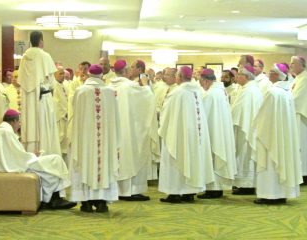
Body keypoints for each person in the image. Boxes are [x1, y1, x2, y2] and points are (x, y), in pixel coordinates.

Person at [0, 109, 76, 210]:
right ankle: (54, 199)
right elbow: (17, 156)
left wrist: (30, 155)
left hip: (9, 164)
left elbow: (14, 154)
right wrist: (32, 155)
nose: (20, 125)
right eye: (19, 122)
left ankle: (52, 199)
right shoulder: (6, 132)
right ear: (13, 121)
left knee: (49, 169)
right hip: (14, 165)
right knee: (56, 160)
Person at [158, 66, 214, 203]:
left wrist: (161, 121)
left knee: (176, 159)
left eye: (177, 75)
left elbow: (167, 114)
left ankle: (175, 192)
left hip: (177, 133)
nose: (176, 77)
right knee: (192, 158)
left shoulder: (177, 93)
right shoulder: (197, 92)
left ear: (180, 77)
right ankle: (189, 193)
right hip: (194, 134)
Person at [69, 65, 120, 212]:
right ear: (101, 76)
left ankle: (85, 202)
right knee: (103, 163)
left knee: (86, 162)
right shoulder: (110, 92)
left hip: (85, 137)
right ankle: (102, 201)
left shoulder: (80, 91)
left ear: (88, 75)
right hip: (105, 138)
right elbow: (115, 117)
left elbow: (75, 114)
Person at [110, 60, 160, 201]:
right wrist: (145, 84)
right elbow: (148, 97)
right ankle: (131, 190)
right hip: (129, 130)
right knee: (131, 156)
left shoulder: (109, 85)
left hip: (115, 131)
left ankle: (118, 190)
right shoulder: (129, 86)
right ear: (125, 71)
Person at [253, 65, 302, 204]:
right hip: (283, 136)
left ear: (276, 74)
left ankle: (269, 194)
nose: (268, 74)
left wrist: (256, 126)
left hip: (271, 134)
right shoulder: (287, 92)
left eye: (270, 72)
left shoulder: (272, 92)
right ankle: (281, 194)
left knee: (270, 163)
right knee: (281, 160)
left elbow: (264, 116)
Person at [18, 31, 61, 155]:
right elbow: (52, 81)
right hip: (43, 99)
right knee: (44, 127)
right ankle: (45, 153)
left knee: (30, 124)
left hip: (28, 98)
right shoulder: (45, 56)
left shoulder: (24, 58)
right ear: (41, 41)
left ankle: (30, 153)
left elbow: (22, 80)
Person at [197, 69, 237, 199]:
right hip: (221, 130)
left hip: (213, 131)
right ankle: (217, 188)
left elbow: (204, 116)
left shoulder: (210, 95)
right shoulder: (221, 91)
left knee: (213, 156)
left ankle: (213, 189)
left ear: (207, 80)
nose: (201, 85)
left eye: (201, 82)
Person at [231, 66, 263, 195]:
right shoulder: (251, 89)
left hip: (246, 129)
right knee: (246, 156)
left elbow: (237, 110)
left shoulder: (248, 91)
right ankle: (247, 184)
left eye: (239, 75)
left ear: (247, 76)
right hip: (249, 126)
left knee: (245, 155)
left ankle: (247, 185)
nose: (237, 77)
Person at [290, 56, 307, 184]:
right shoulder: (297, 78)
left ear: (301, 64)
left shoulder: (305, 78)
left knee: (302, 144)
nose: (291, 66)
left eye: (293, 63)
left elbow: (297, 98)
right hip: (295, 114)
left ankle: (304, 173)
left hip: (301, 116)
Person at [53, 66, 69, 160]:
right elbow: (55, 103)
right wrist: (63, 113)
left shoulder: (65, 85)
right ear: (55, 74)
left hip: (66, 118)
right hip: (59, 119)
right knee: (59, 141)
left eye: (63, 73)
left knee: (65, 144)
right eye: (60, 74)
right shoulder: (53, 86)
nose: (63, 76)